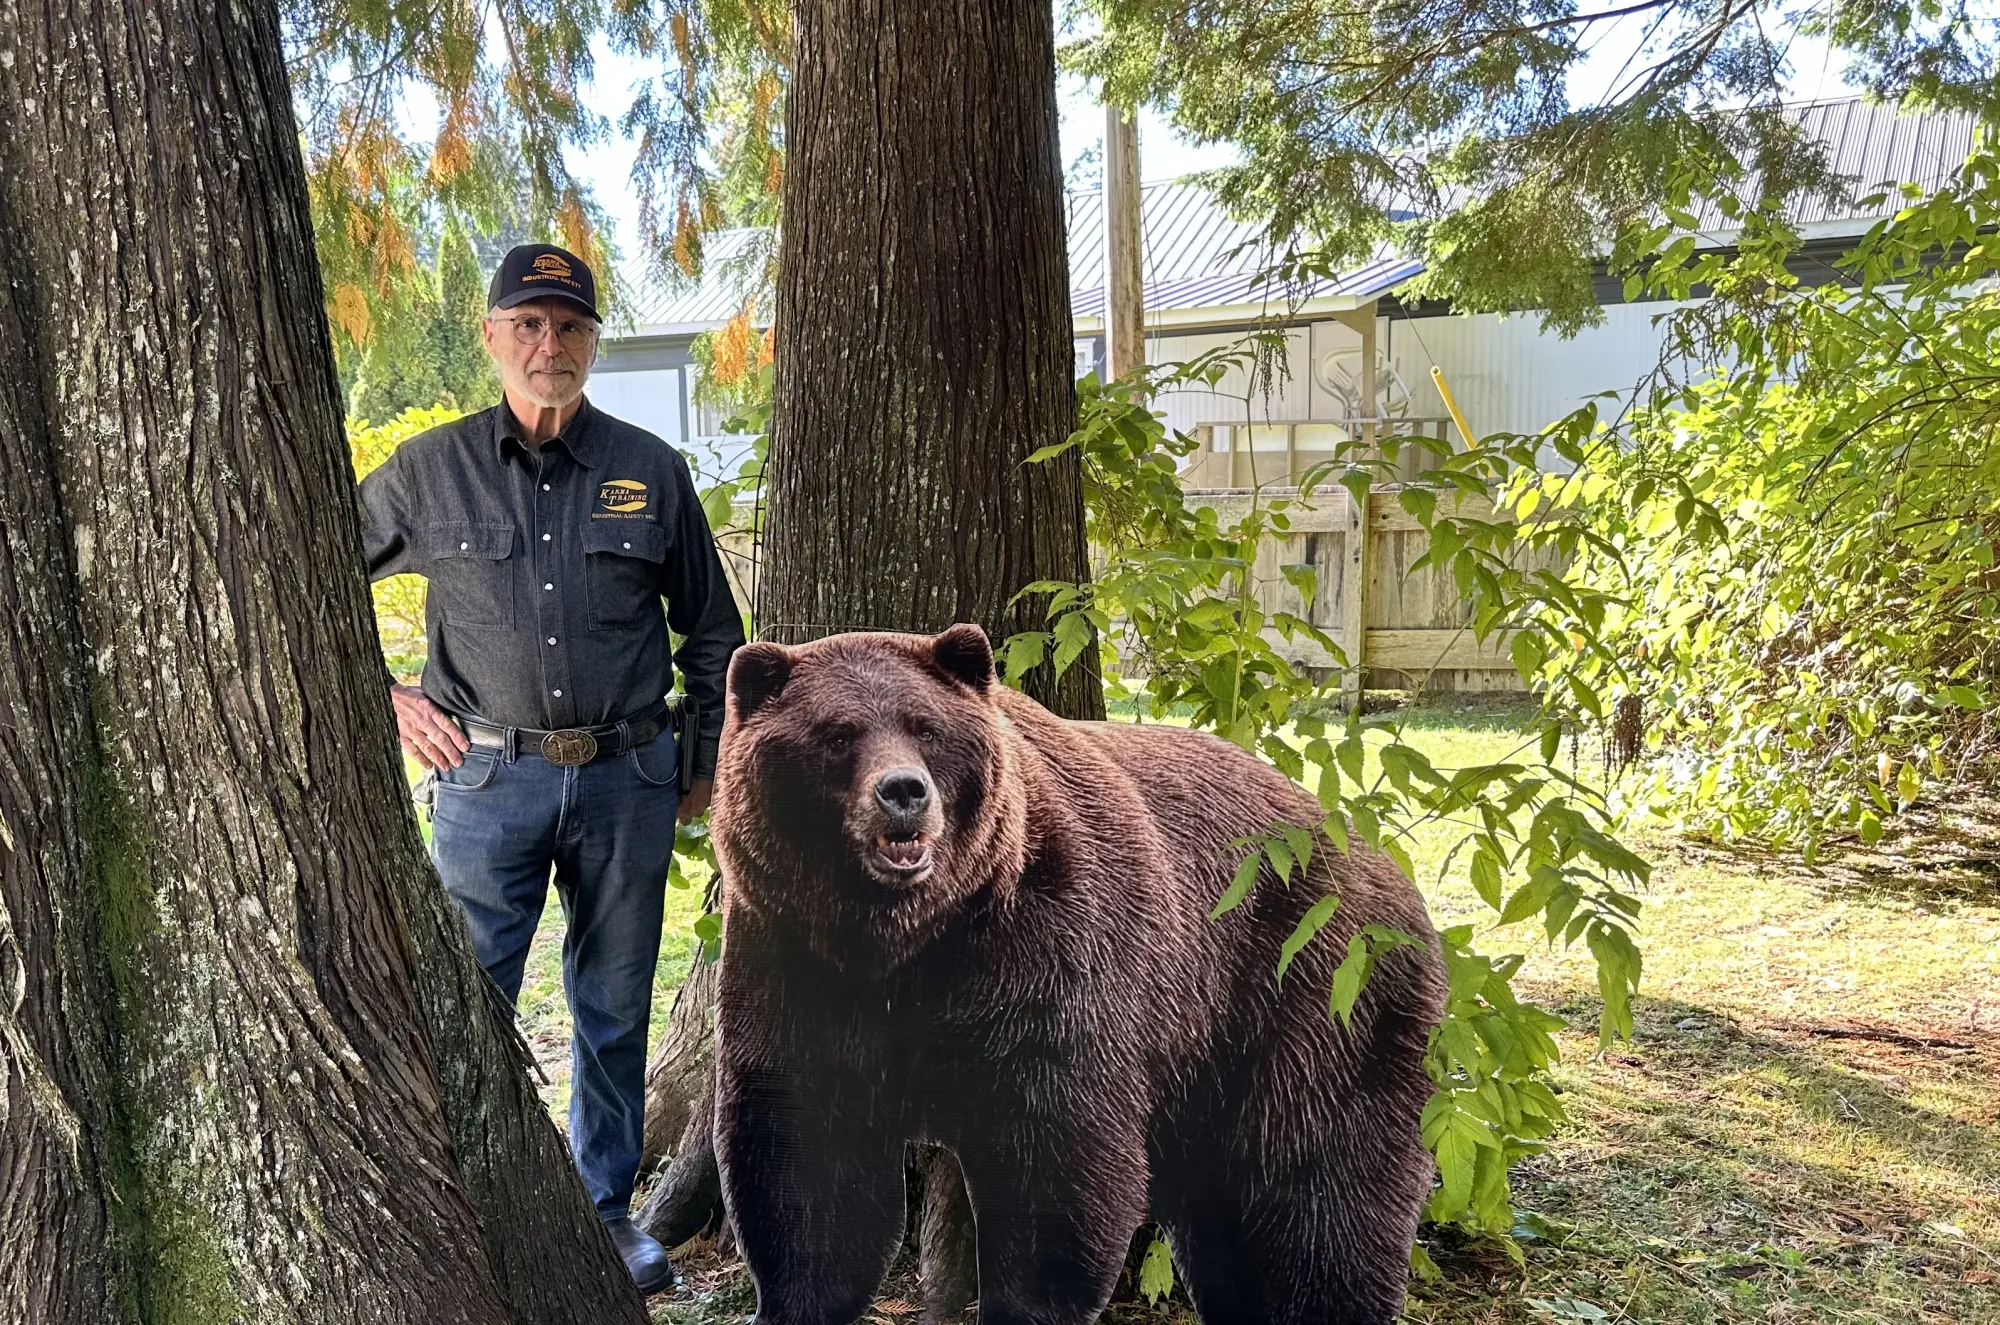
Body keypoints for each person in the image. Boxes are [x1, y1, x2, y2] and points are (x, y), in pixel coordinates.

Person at [358, 242, 743, 1294]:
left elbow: (713, 632)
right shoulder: (427, 471)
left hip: (628, 781)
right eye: (525, 323)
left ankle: (604, 1211)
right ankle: (469, 1206)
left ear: (591, 343)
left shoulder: (647, 469)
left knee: (614, 1005)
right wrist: (387, 696)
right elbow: (313, 579)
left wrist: (702, 760)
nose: (547, 344)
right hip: (487, 784)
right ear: (490, 338)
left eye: (568, 326)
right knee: (469, 1001)